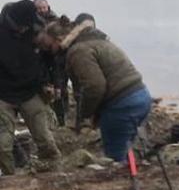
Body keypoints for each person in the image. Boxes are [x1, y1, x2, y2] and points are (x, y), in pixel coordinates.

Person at [37, 16, 151, 162]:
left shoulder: (78, 51)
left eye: (49, 46)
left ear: (59, 39)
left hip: (121, 104)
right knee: (129, 147)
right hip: (141, 95)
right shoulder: (97, 40)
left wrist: (85, 114)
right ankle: (135, 171)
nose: (50, 51)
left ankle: (121, 181)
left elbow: (95, 86)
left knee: (116, 157)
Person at [0, 0, 62, 176]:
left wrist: (51, 83)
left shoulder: (36, 27)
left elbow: (50, 57)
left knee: (45, 138)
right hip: (3, 94)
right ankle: (10, 180)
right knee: (3, 145)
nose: (25, 30)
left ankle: (55, 173)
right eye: (22, 27)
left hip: (30, 91)